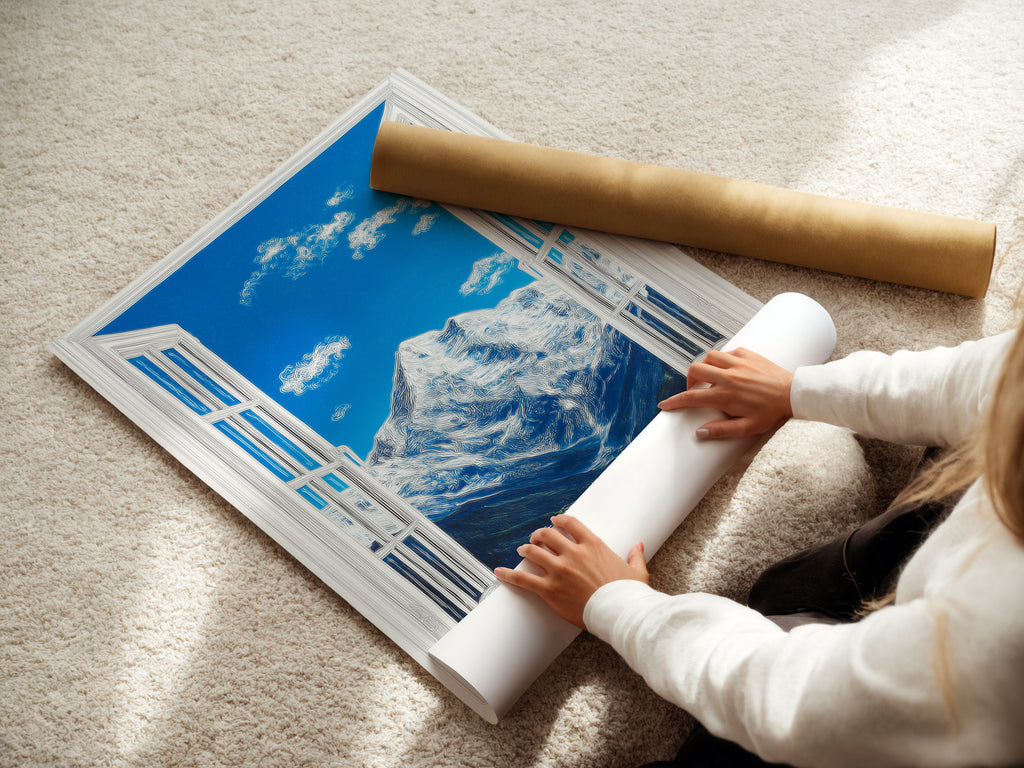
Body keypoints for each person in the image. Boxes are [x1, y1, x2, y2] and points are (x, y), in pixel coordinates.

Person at [495, 322, 1024, 767]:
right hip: (955, 607)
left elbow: (795, 701)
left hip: (953, 715)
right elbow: (986, 378)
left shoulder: (999, 636)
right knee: (784, 591)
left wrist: (618, 604)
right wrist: (797, 390)